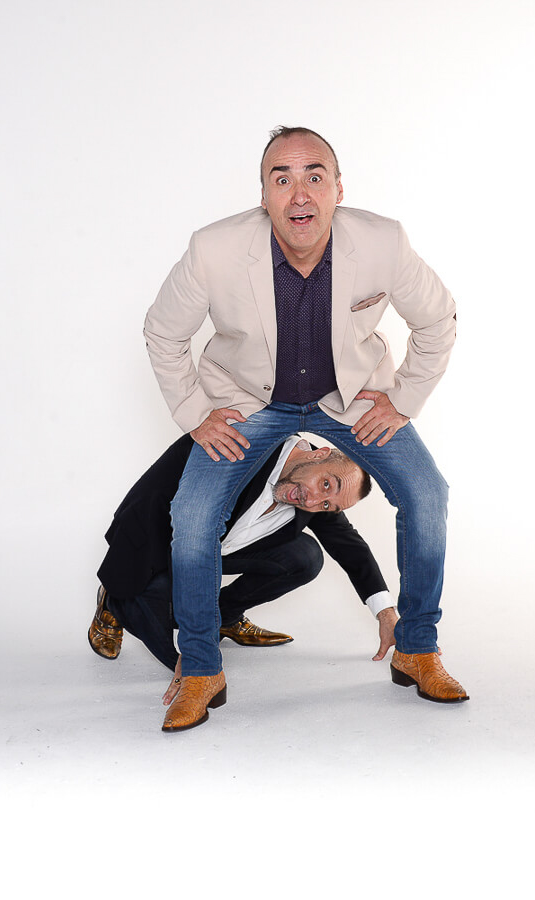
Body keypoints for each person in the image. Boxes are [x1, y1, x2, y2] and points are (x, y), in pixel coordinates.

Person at [144, 125, 468, 732]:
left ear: (338, 189)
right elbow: (163, 332)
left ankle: (418, 649)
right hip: (249, 402)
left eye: (315, 177)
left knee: (428, 494)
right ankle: (202, 669)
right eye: (282, 179)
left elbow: (438, 319)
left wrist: (402, 400)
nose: (300, 194)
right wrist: (194, 413)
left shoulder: (383, 242)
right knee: (193, 513)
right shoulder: (213, 249)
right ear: (263, 195)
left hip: (348, 401)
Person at [89, 433, 397, 712]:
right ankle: (112, 601)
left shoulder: (310, 486)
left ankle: (225, 618)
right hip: (154, 546)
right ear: (319, 453)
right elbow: (192, 542)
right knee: (188, 660)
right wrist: (196, 645)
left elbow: (348, 544)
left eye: (327, 505)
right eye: (327, 484)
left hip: (220, 547)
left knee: (306, 557)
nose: (314, 500)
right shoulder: (239, 450)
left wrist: (386, 613)